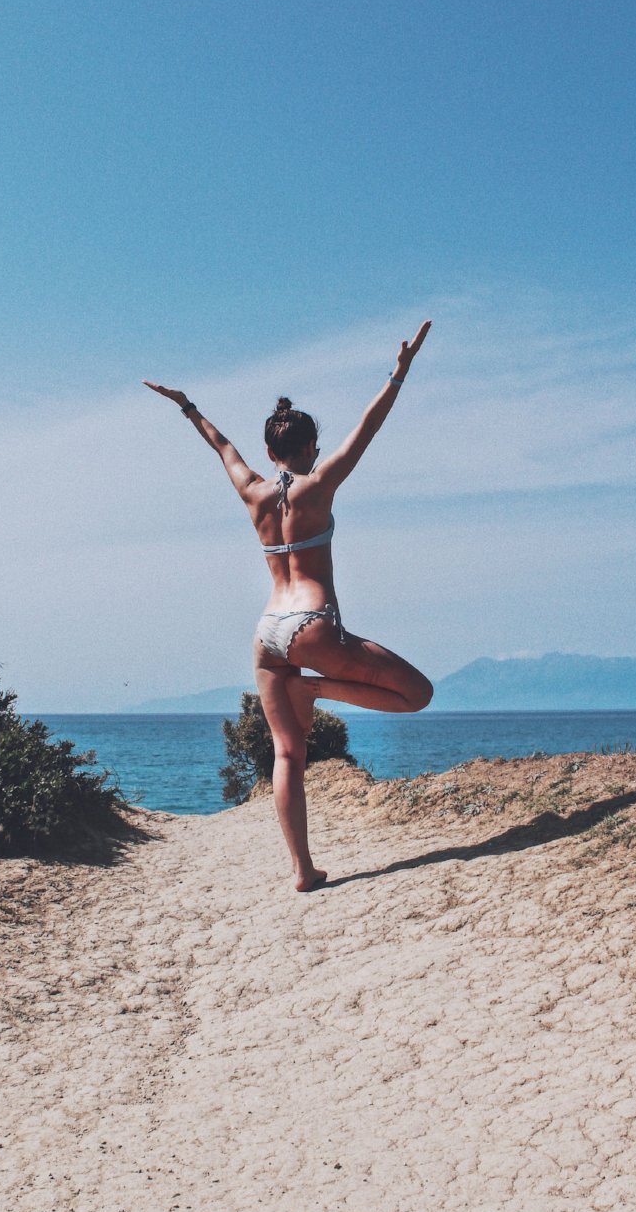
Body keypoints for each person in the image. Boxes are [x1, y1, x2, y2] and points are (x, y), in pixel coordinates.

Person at [143, 320, 434, 891]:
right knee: (416, 695)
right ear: (305, 449)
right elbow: (366, 430)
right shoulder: (317, 484)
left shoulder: (251, 490)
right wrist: (398, 373)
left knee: (288, 755)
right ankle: (317, 689)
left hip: (267, 629)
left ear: (270, 450)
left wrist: (188, 407)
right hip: (312, 624)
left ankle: (302, 870)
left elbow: (221, 446)